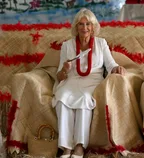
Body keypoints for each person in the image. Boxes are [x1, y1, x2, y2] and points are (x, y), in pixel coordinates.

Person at [52, 8, 126, 158]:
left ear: (93, 27)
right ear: (76, 27)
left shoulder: (101, 43)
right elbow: (60, 76)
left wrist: (116, 68)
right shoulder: (67, 45)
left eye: (88, 24)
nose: (84, 28)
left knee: (85, 99)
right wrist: (65, 70)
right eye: (81, 24)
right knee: (62, 98)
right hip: (71, 80)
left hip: (92, 81)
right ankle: (66, 148)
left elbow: (110, 64)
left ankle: (79, 146)